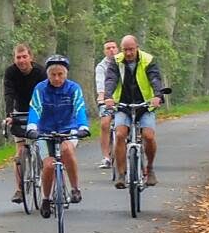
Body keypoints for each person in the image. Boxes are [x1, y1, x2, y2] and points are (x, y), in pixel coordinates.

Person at [25, 54, 90, 218]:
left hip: (68, 130)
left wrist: (83, 126)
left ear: (66, 74)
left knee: (67, 149)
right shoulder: (40, 89)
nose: (57, 78)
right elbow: (35, 109)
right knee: (48, 165)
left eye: (60, 74)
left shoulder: (73, 88)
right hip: (45, 131)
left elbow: (80, 108)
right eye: (53, 74)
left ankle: (75, 188)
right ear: (48, 75)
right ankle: (46, 199)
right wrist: (32, 127)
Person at [102, 34, 165, 188]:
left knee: (148, 136)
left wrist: (158, 96)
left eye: (131, 49)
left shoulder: (148, 60)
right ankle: (122, 174)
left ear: (137, 47)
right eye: (125, 50)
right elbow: (111, 79)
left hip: (144, 105)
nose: (128, 53)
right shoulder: (116, 61)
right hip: (123, 104)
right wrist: (108, 97)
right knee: (120, 134)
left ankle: (149, 169)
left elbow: (155, 79)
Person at [2, 43, 47, 204]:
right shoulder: (10, 72)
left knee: (42, 150)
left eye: (24, 57)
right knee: (20, 152)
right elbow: (9, 94)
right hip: (19, 112)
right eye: (18, 58)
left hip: (39, 111)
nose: (21, 61)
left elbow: (45, 93)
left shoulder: (41, 72)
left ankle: (45, 186)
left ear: (31, 57)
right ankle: (20, 189)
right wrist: (9, 114)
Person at [93, 39, 119, 169]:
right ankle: (106, 157)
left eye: (113, 47)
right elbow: (100, 85)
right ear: (104, 51)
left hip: (122, 99)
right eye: (108, 48)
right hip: (106, 99)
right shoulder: (101, 66)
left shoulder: (123, 62)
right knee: (105, 124)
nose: (111, 50)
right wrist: (103, 97)